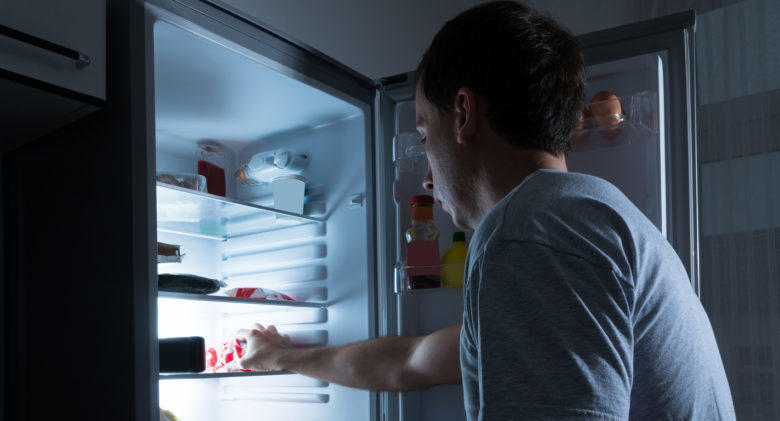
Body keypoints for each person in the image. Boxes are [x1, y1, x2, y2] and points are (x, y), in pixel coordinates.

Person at [228, 1, 736, 419]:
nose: (427, 176)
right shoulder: (584, 213)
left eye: (426, 135)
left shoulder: (531, 231)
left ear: (464, 115)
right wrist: (282, 357)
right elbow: (408, 362)